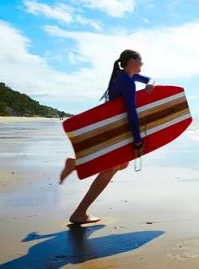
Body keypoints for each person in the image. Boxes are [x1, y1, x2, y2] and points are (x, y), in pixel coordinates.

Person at [59, 49, 154, 224]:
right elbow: (131, 112)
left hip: (115, 129)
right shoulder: (127, 81)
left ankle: (75, 164)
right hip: (119, 130)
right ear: (131, 61)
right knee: (111, 168)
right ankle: (80, 213)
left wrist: (149, 84)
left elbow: (148, 79)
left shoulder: (124, 76)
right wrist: (137, 139)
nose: (142, 63)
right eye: (140, 60)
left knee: (121, 165)